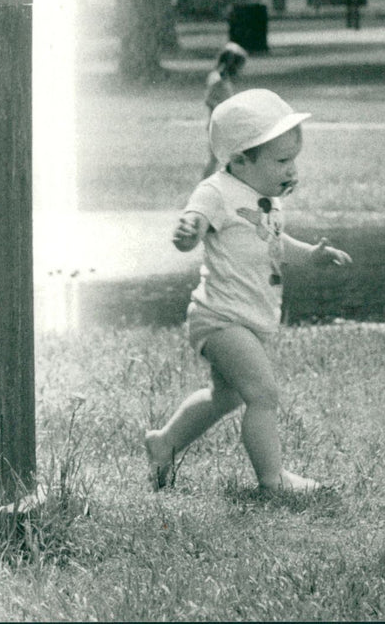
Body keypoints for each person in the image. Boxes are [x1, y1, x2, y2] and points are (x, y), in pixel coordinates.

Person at [145, 88, 352, 495]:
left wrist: (310, 255)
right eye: (281, 161)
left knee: (225, 397)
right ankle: (273, 481)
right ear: (240, 158)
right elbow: (195, 222)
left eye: (294, 159)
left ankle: (165, 441)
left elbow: (273, 241)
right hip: (221, 317)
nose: (292, 170)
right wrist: (189, 232)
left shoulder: (268, 200)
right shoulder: (216, 190)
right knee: (263, 394)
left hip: (247, 316)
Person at [202, 42, 248, 177]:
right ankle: (203, 187)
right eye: (239, 66)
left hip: (225, 124)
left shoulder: (224, 79)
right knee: (215, 159)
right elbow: (208, 100)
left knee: (228, 158)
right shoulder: (217, 79)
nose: (240, 70)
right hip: (217, 124)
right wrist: (222, 109)